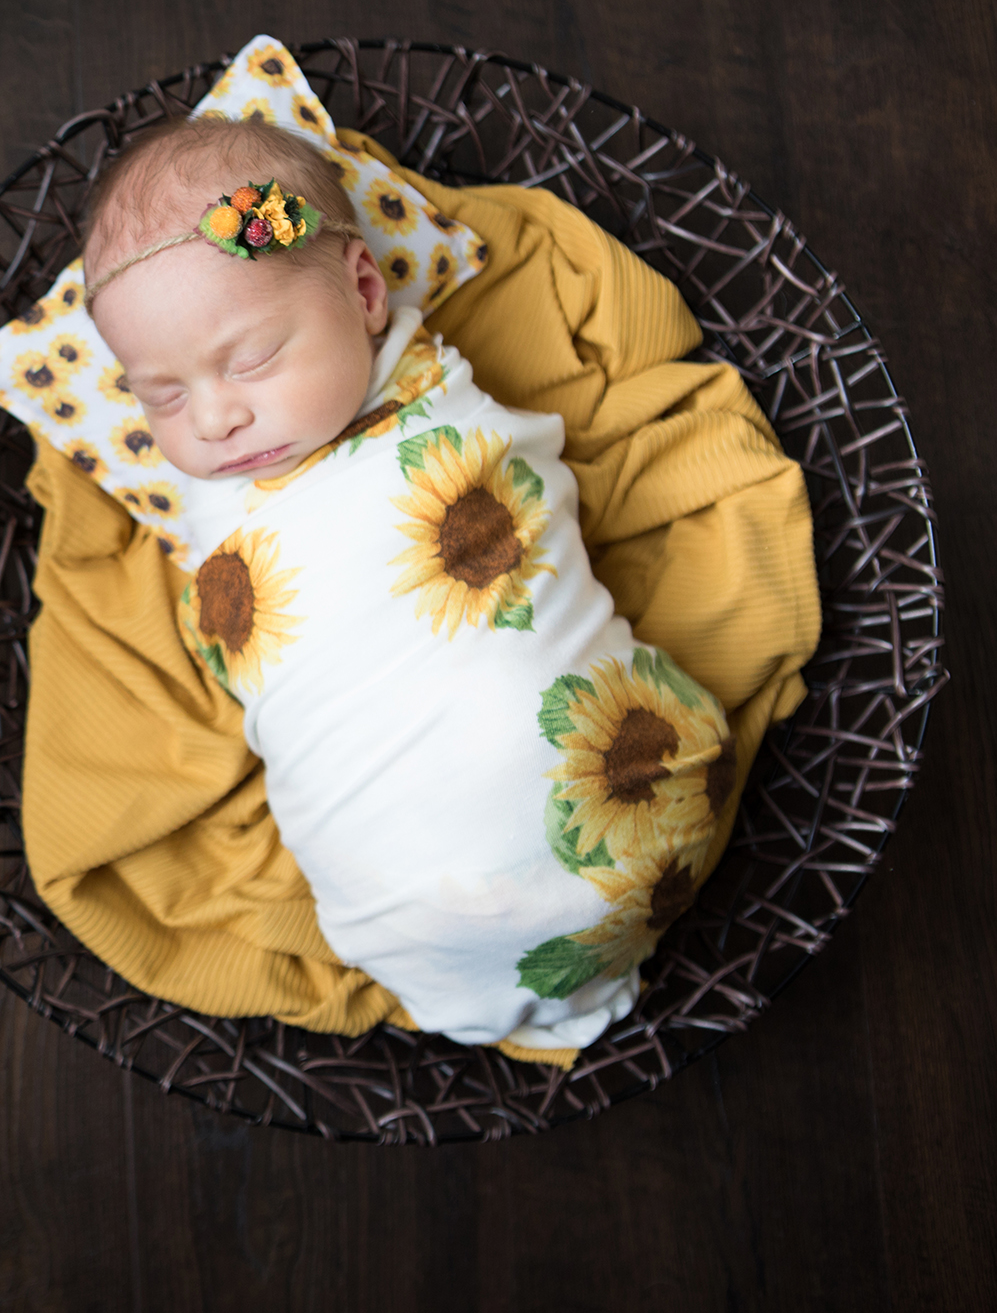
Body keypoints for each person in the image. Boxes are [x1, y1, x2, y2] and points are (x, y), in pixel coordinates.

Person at [76, 116, 733, 1051]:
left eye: (250, 357)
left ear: (363, 289)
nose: (215, 418)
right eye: (161, 396)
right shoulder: (210, 508)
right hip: (425, 911)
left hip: (631, 792)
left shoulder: (439, 403)